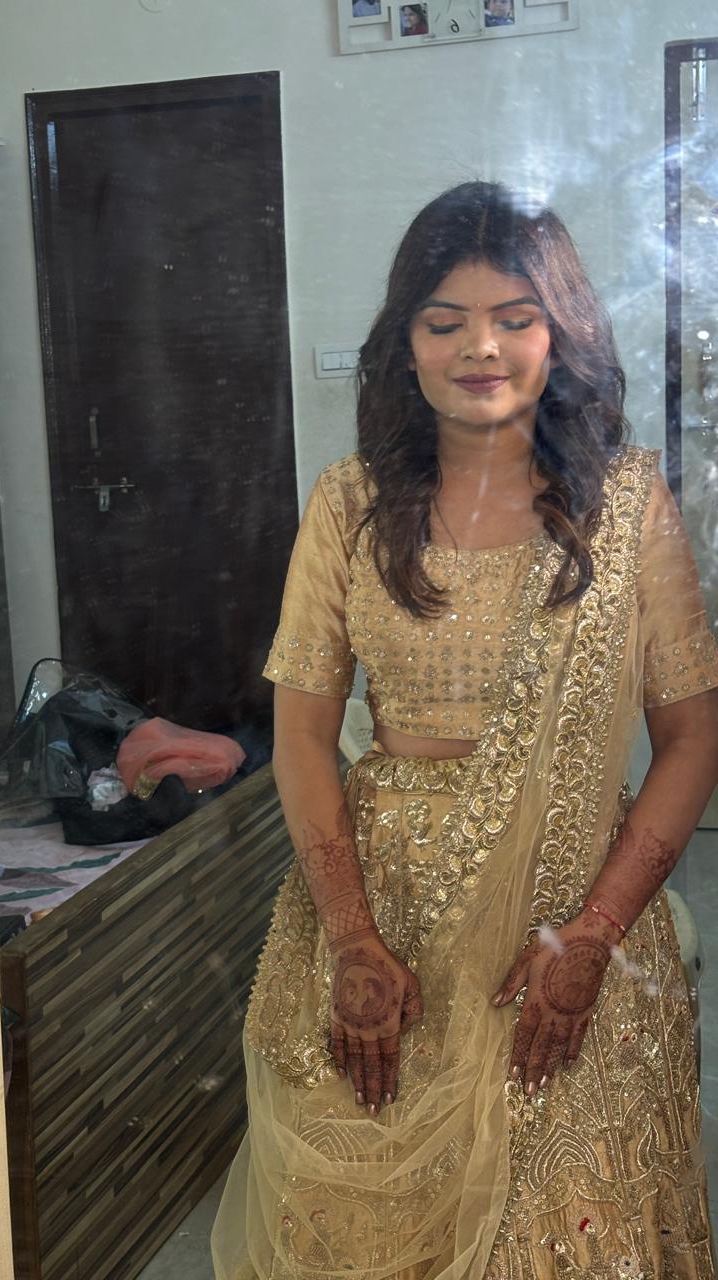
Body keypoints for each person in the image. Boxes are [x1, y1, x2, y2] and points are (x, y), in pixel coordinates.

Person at [211, 181, 718, 1279]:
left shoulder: (626, 506)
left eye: (515, 318)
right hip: (383, 926)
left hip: (570, 921)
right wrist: (352, 936)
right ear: (406, 345)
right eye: (445, 322)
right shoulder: (348, 506)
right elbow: (301, 735)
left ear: (560, 335)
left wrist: (593, 935)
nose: (480, 348)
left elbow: (690, 739)